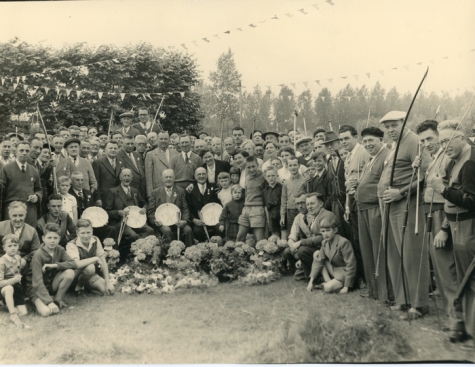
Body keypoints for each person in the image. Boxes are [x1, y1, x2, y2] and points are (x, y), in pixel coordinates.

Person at [378, 110, 430, 319]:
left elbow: (426, 175)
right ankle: (402, 299)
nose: (390, 130)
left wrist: (401, 192)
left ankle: (418, 304)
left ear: (404, 122)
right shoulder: (393, 146)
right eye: (387, 126)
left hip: (407, 205)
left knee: (411, 254)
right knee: (394, 254)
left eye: (394, 125)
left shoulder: (414, 142)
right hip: (389, 206)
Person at [413, 120, 462, 338]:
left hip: (445, 212)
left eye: (430, 139)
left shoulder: (449, 157)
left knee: (447, 267)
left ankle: (458, 322)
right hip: (430, 211)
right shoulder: (432, 158)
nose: (426, 144)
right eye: (422, 141)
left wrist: (445, 226)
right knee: (441, 270)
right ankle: (453, 317)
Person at [428, 120, 474, 343]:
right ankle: (462, 326)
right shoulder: (453, 161)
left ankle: (470, 330)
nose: (445, 146)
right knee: (460, 277)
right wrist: (445, 228)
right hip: (454, 223)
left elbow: (471, 202)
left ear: (462, 139)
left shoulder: (470, 162)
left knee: (470, 279)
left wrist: (441, 189)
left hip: (468, 225)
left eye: (449, 140)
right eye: (442, 141)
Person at [355, 127, 389, 301]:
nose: (367, 144)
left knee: (379, 251)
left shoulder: (386, 156)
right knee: (367, 250)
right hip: (363, 209)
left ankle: (384, 292)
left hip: (376, 209)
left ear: (381, 140)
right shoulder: (371, 159)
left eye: (371, 141)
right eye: (365, 141)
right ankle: (373, 288)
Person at [339, 125, 370, 288]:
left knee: (364, 240)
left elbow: (372, 173)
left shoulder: (363, 151)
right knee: (357, 241)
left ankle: (369, 277)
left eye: (347, 138)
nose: (344, 142)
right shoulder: (348, 157)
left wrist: (361, 181)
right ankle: (364, 277)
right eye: (342, 139)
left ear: (355, 138)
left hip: (363, 200)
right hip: (352, 200)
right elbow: (348, 184)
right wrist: (346, 206)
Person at [105, 168, 154, 259]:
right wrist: (118, 212)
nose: (126, 178)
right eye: (124, 175)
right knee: (133, 235)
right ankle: (133, 256)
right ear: (120, 177)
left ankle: (141, 253)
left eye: (128, 176)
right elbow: (107, 211)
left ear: (131, 178)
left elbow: (144, 203)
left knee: (149, 230)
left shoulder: (135, 191)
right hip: (122, 222)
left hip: (136, 221)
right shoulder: (113, 191)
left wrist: (144, 208)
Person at [31, 223, 76, 316]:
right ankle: (35, 302)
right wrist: (48, 302)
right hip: (37, 289)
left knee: (69, 273)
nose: (52, 241)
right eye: (49, 238)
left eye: (55, 238)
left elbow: (73, 263)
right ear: (43, 238)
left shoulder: (60, 249)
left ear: (59, 238)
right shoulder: (38, 254)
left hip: (51, 285)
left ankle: (58, 299)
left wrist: (54, 265)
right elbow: (37, 282)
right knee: (46, 312)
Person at [289, 193, 337, 280]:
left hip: (330, 251)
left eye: (312, 204)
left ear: (321, 204)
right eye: (308, 204)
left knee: (303, 250)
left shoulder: (327, 215)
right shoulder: (315, 217)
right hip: (320, 250)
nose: (309, 207)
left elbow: (323, 237)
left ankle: (317, 278)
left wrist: (300, 242)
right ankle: (314, 275)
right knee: (298, 276)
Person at [307, 216, 356, 293]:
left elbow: (351, 265)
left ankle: (336, 284)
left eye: (328, 230)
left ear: (335, 230)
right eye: (323, 231)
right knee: (317, 255)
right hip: (334, 270)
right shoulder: (324, 242)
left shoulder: (343, 242)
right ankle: (328, 281)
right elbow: (319, 261)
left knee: (327, 288)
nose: (325, 234)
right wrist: (311, 282)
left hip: (343, 273)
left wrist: (346, 287)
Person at [66, 218, 114, 296]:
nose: (86, 236)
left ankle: (86, 287)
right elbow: (77, 264)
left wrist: (108, 282)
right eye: (83, 233)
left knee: (105, 290)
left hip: (89, 275)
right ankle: (77, 287)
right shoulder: (72, 244)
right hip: (75, 275)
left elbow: (103, 261)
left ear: (92, 231)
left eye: (88, 232)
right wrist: (95, 258)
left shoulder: (95, 239)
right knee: (90, 268)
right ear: (77, 232)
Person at [0, 141, 42, 227]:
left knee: (28, 236)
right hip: (11, 210)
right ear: (15, 152)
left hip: (29, 210)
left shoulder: (34, 170)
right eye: (21, 150)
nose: (24, 153)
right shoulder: (6, 169)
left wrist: (37, 197)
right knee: (11, 237)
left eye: (27, 151)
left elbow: (39, 189)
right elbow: (1, 191)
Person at [148, 169, 193, 247]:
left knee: (188, 230)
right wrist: (155, 221)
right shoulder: (155, 193)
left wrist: (185, 221)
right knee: (166, 230)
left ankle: (190, 252)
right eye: (166, 177)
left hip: (178, 222)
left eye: (170, 177)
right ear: (162, 179)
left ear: (174, 179)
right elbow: (151, 211)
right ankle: (169, 254)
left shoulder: (180, 191)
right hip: (163, 223)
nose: (168, 179)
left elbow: (185, 208)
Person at [69, 171, 118, 242]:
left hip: (92, 224)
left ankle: (111, 251)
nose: (80, 182)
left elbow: (92, 210)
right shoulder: (69, 195)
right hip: (79, 225)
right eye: (77, 180)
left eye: (82, 180)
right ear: (72, 182)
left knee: (111, 229)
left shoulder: (88, 193)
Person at [0, 234, 29, 328]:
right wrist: (13, 280)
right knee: (9, 288)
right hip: (4, 288)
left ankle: (7, 304)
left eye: (15, 245)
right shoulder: (1, 262)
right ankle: (13, 315)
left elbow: (17, 270)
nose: (13, 248)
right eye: (9, 246)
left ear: (18, 246)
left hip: (16, 288)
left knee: (24, 312)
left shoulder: (18, 258)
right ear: (4, 248)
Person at [236, 156, 266, 242]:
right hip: (246, 209)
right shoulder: (247, 177)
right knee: (240, 237)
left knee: (259, 239)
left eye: (253, 166)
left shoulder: (264, 177)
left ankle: (261, 255)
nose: (251, 169)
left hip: (258, 209)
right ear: (245, 167)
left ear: (258, 165)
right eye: (249, 167)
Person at [186, 168, 220, 242]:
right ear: (195, 176)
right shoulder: (190, 190)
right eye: (199, 174)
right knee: (196, 231)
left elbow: (219, 205)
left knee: (219, 228)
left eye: (203, 174)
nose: (201, 176)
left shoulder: (214, 188)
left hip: (214, 219)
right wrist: (194, 219)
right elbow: (188, 208)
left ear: (207, 175)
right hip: (199, 221)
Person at [145, 131, 178, 198]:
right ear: (157, 140)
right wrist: (150, 195)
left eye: (165, 139)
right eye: (161, 139)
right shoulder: (150, 154)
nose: (163, 141)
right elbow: (148, 177)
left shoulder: (176, 153)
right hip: (158, 191)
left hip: (174, 190)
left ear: (169, 140)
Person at [92, 140, 124, 206]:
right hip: (104, 197)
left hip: (119, 197)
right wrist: (97, 198)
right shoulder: (97, 163)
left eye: (115, 148)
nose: (113, 150)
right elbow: (96, 181)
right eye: (110, 148)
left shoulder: (121, 162)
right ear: (105, 150)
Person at [281, 156, 306, 234]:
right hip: (290, 212)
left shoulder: (305, 181)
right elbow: (283, 200)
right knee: (292, 232)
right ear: (287, 167)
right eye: (290, 165)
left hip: (302, 211)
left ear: (299, 165)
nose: (293, 167)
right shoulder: (286, 183)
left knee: (302, 232)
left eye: (295, 165)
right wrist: (282, 216)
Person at [117, 134, 146, 200]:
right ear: (122, 143)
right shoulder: (118, 156)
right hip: (128, 193)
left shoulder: (137, 155)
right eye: (127, 144)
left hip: (141, 192)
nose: (130, 146)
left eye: (132, 143)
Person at [262, 167, 283, 238]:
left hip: (281, 214)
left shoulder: (282, 187)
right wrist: (268, 220)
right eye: (268, 176)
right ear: (265, 177)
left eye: (273, 175)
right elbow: (265, 207)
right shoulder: (265, 191)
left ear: (277, 176)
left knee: (283, 235)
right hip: (271, 216)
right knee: (275, 236)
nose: (271, 178)